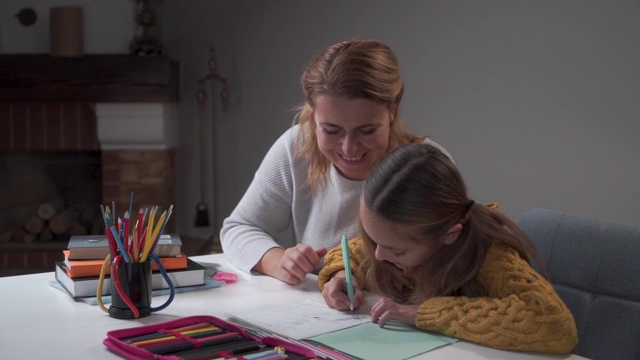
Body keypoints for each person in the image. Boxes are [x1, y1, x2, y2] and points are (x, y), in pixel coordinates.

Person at [220, 38, 451, 285]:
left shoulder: (426, 165)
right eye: (331, 130)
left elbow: (449, 260)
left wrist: (355, 277)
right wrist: (278, 261)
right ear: (313, 112)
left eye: (367, 130)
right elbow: (239, 228)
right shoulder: (296, 147)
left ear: (392, 110)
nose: (349, 147)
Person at [318, 143, 578, 354]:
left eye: (397, 252)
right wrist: (341, 274)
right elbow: (352, 251)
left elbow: (555, 323)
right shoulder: (396, 238)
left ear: (449, 235)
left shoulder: (491, 255)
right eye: (374, 241)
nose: (377, 255)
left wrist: (423, 313)